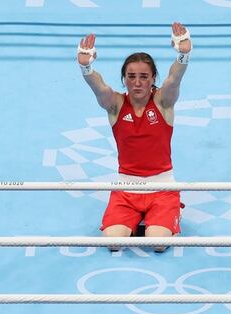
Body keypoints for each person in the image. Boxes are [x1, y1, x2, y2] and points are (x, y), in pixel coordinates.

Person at [77, 22, 192, 252]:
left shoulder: (163, 102)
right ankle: (136, 219)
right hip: (126, 188)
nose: (137, 82)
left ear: (152, 79)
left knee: (158, 244)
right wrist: (86, 68)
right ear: (124, 79)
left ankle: (168, 212)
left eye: (143, 76)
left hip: (162, 187)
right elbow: (99, 88)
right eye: (131, 76)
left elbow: (173, 80)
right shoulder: (116, 105)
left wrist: (183, 55)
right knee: (113, 243)